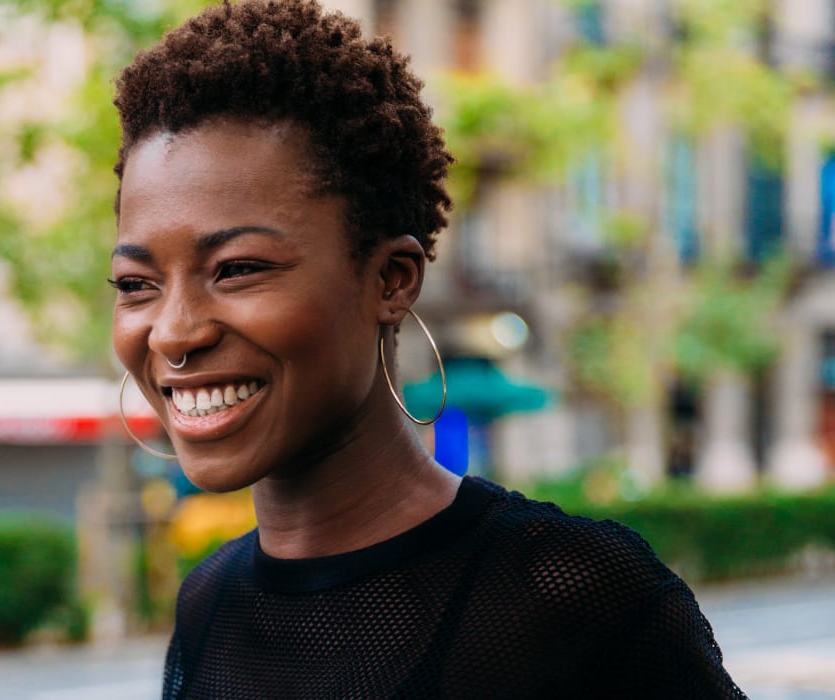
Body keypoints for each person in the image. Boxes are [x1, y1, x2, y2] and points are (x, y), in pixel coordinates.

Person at [109, 1, 747, 697]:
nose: (172, 332)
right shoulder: (208, 603)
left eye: (236, 269)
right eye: (136, 283)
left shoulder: (575, 599)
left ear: (390, 279)